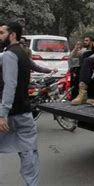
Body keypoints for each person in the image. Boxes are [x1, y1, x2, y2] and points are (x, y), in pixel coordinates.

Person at [0, 22, 39, 186]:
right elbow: (35, 66)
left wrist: (3, 114)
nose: (0, 36)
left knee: (28, 151)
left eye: (1, 33)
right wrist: (49, 71)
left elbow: (10, 85)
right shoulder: (23, 53)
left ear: (12, 35)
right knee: (29, 151)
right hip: (24, 112)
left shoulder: (9, 55)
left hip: (8, 113)